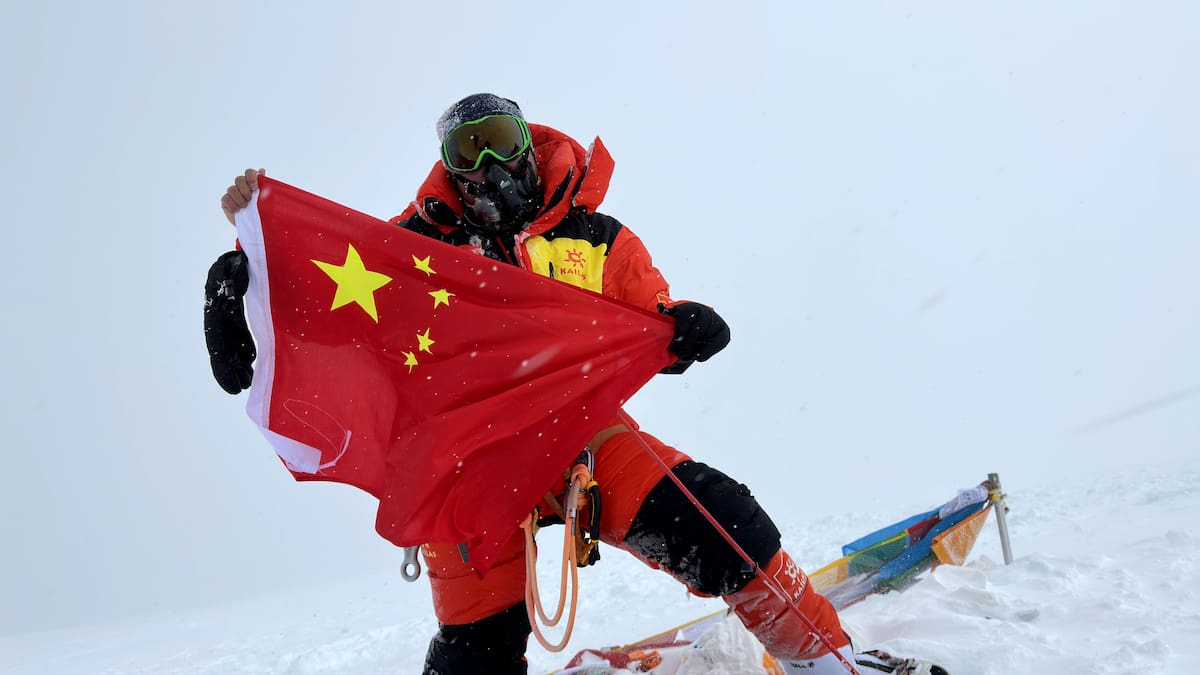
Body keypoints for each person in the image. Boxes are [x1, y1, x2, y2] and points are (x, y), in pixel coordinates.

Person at [209, 94, 944, 675]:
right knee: (477, 652)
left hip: (577, 438)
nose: (489, 160)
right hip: (464, 467)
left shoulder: (595, 237)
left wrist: (679, 329)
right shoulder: (414, 249)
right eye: (469, 147)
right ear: (450, 168)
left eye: (499, 136)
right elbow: (340, 297)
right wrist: (253, 268)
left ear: (528, 142)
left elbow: (645, 318)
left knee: (718, 521)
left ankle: (824, 657)